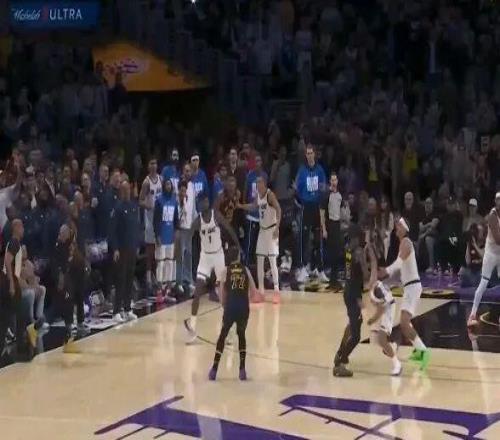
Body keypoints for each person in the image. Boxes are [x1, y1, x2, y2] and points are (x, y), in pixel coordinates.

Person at [184, 193, 240, 343]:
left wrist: (237, 245)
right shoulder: (198, 221)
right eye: (199, 202)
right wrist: (185, 246)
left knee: (223, 294)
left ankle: (229, 328)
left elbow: (229, 229)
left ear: (207, 202)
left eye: (204, 201)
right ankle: (192, 328)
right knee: (197, 292)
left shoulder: (216, 215)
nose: (202, 204)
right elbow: (189, 234)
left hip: (218, 256)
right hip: (205, 258)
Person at [378, 217, 430, 371]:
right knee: (405, 323)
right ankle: (419, 351)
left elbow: (398, 264)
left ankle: (423, 352)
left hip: (413, 287)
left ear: (406, 228)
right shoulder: (403, 243)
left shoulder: (406, 242)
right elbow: (399, 271)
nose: (397, 227)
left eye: (399, 225)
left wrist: (385, 271)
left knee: (404, 324)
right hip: (409, 287)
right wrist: (387, 279)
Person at [208, 246, 257, 381]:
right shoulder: (246, 270)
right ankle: (242, 370)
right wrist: (245, 299)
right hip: (243, 307)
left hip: (230, 306)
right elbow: (254, 291)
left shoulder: (225, 271)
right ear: (239, 257)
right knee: (241, 335)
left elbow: (222, 292)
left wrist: (224, 304)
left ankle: (214, 369)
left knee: (223, 335)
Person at [333, 224, 374, 377]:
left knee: (352, 325)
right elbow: (366, 276)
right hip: (354, 295)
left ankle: (339, 353)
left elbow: (354, 273)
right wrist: (371, 262)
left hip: (348, 291)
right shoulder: (358, 252)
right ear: (356, 238)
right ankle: (340, 363)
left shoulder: (348, 250)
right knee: (356, 336)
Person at [239, 176, 282, 303]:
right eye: (256, 184)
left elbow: (279, 210)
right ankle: (261, 291)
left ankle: (276, 291)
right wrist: (241, 206)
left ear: (264, 184)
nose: (257, 186)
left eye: (259, 183)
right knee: (260, 259)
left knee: (272, 260)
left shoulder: (270, 195)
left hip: (272, 229)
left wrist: (277, 228)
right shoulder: (258, 195)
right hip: (262, 230)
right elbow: (253, 206)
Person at [0, 219, 38, 358]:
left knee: (11, 316)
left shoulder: (13, 243)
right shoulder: (14, 242)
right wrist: (11, 282)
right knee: (18, 314)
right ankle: (23, 344)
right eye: (21, 226)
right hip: (9, 284)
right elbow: (7, 261)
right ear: (16, 228)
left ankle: (22, 342)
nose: (23, 229)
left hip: (10, 283)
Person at [109, 180, 141, 323]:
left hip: (132, 248)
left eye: (128, 189)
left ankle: (127, 309)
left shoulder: (134, 206)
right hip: (122, 249)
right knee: (120, 280)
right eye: (124, 189)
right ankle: (116, 311)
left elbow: (136, 227)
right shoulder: (118, 208)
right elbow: (112, 231)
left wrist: (137, 244)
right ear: (121, 191)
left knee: (129, 278)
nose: (127, 191)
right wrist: (115, 248)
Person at [295, 144, 327, 283]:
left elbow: (324, 187)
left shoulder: (320, 170)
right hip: (306, 207)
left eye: (311, 153)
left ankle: (319, 269)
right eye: (307, 153)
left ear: (314, 154)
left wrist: (323, 190)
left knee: (318, 239)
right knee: (304, 237)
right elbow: (297, 188)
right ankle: (303, 268)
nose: (309, 155)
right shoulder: (302, 170)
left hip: (316, 207)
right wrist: (303, 198)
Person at [468, 193, 500, 327]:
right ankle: (472, 315)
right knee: (483, 283)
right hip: (491, 254)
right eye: (498, 200)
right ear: (495, 201)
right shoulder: (492, 216)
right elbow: (498, 240)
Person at [139, 157, 162, 290]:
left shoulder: (161, 179)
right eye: (151, 163)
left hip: (159, 219)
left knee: (159, 249)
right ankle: (148, 276)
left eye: (155, 163)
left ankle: (157, 275)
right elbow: (140, 200)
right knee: (150, 250)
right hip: (149, 218)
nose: (153, 165)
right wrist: (148, 205)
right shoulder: (146, 182)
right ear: (148, 166)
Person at [153, 178, 177, 302]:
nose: (168, 186)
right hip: (161, 236)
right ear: (163, 186)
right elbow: (155, 220)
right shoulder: (159, 200)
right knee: (160, 263)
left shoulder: (174, 200)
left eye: (170, 184)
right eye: (166, 184)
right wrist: (157, 235)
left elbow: (176, 219)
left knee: (169, 263)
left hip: (170, 236)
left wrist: (175, 233)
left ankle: (168, 290)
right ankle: (159, 290)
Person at [320, 172, 343, 291]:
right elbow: (322, 213)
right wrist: (324, 229)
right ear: (330, 181)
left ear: (337, 181)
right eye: (332, 180)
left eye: (335, 180)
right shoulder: (326, 195)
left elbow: (341, 210)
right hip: (330, 225)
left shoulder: (340, 195)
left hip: (338, 225)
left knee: (338, 252)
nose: (334, 182)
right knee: (333, 253)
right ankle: (333, 280)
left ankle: (335, 279)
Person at [243, 154, 267, 264]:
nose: (257, 163)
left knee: (259, 242)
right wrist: (245, 209)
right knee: (249, 241)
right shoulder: (249, 176)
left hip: (261, 215)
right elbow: (245, 192)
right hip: (251, 215)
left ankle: (257, 264)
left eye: (259, 161)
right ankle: (247, 263)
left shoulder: (265, 175)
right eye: (256, 161)